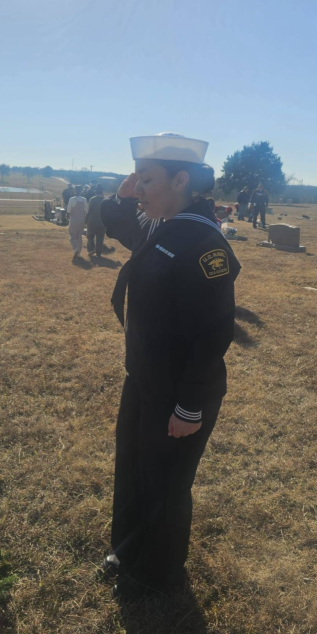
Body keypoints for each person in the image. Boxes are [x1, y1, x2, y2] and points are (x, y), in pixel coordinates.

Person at [100, 132, 240, 600]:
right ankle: (128, 549)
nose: (138, 188)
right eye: (137, 179)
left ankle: (158, 574)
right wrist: (129, 190)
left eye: (147, 179)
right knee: (133, 466)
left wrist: (190, 405)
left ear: (181, 181)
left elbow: (213, 334)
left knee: (166, 481)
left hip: (179, 390)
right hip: (143, 378)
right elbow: (119, 221)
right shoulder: (162, 226)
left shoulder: (203, 242)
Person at [86, 184, 107, 259]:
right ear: (102, 191)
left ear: (95, 191)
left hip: (92, 220)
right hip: (102, 221)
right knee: (100, 238)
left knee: (90, 235)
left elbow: (89, 211)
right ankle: (99, 252)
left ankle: (91, 249)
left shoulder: (92, 199)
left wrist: (86, 219)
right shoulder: (105, 200)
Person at [67, 185, 88, 259]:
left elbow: (68, 210)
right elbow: (86, 211)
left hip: (74, 220)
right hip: (81, 220)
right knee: (79, 237)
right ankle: (78, 252)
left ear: (75, 191)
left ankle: (75, 248)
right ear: (81, 191)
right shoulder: (84, 199)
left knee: (72, 236)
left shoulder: (72, 199)